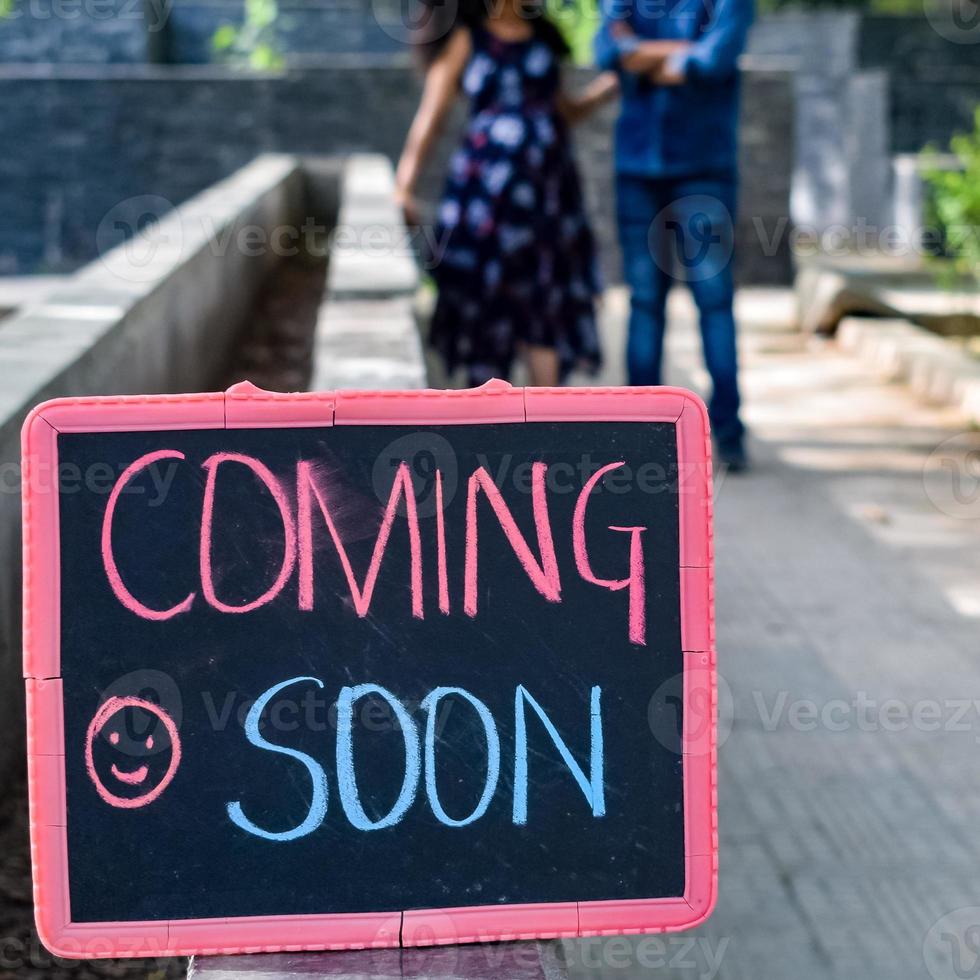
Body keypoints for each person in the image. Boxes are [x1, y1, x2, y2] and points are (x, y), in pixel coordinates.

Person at [395, 0, 618, 387]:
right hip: (487, 203)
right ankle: (489, 431)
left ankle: (547, 434)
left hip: (549, 199)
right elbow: (432, 114)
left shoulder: (543, 37)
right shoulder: (469, 37)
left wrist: (604, 92)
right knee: (488, 302)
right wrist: (404, 186)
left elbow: (561, 111)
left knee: (545, 301)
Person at [595, 0, 754, 470]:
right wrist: (678, 52)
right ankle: (639, 434)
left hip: (705, 171)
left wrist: (640, 54)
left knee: (714, 299)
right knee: (644, 301)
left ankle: (727, 431)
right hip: (638, 172)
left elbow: (711, 62)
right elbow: (608, 54)